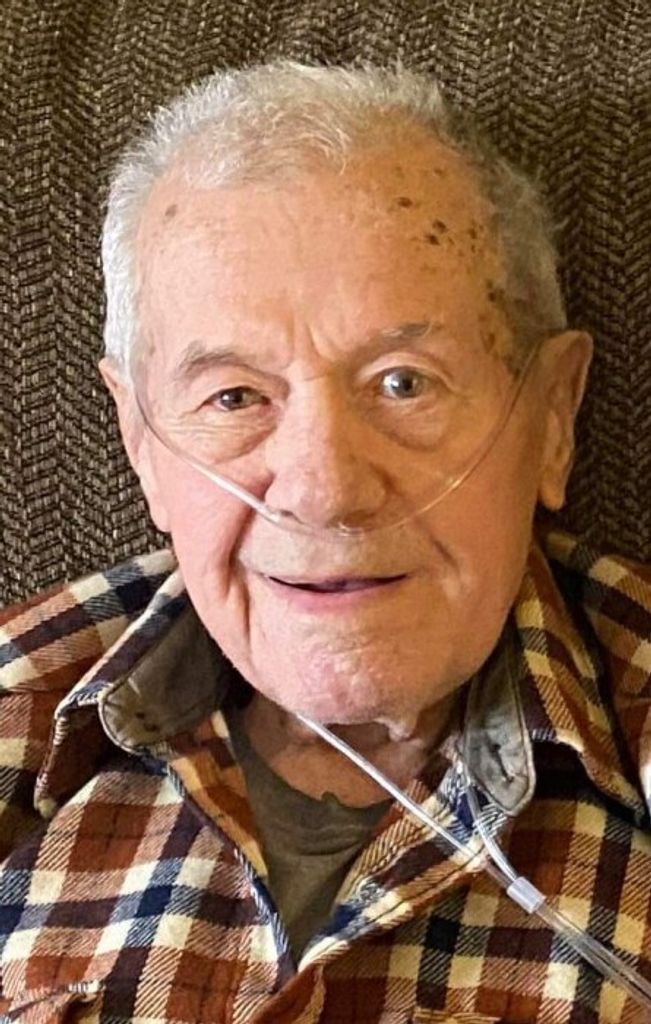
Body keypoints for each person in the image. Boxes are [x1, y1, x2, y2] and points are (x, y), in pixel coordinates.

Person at [0, 62, 649, 1024]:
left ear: (552, 416)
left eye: (402, 383)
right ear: (141, 443)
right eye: (234, 397)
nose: (323, 492)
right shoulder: (22, 718)